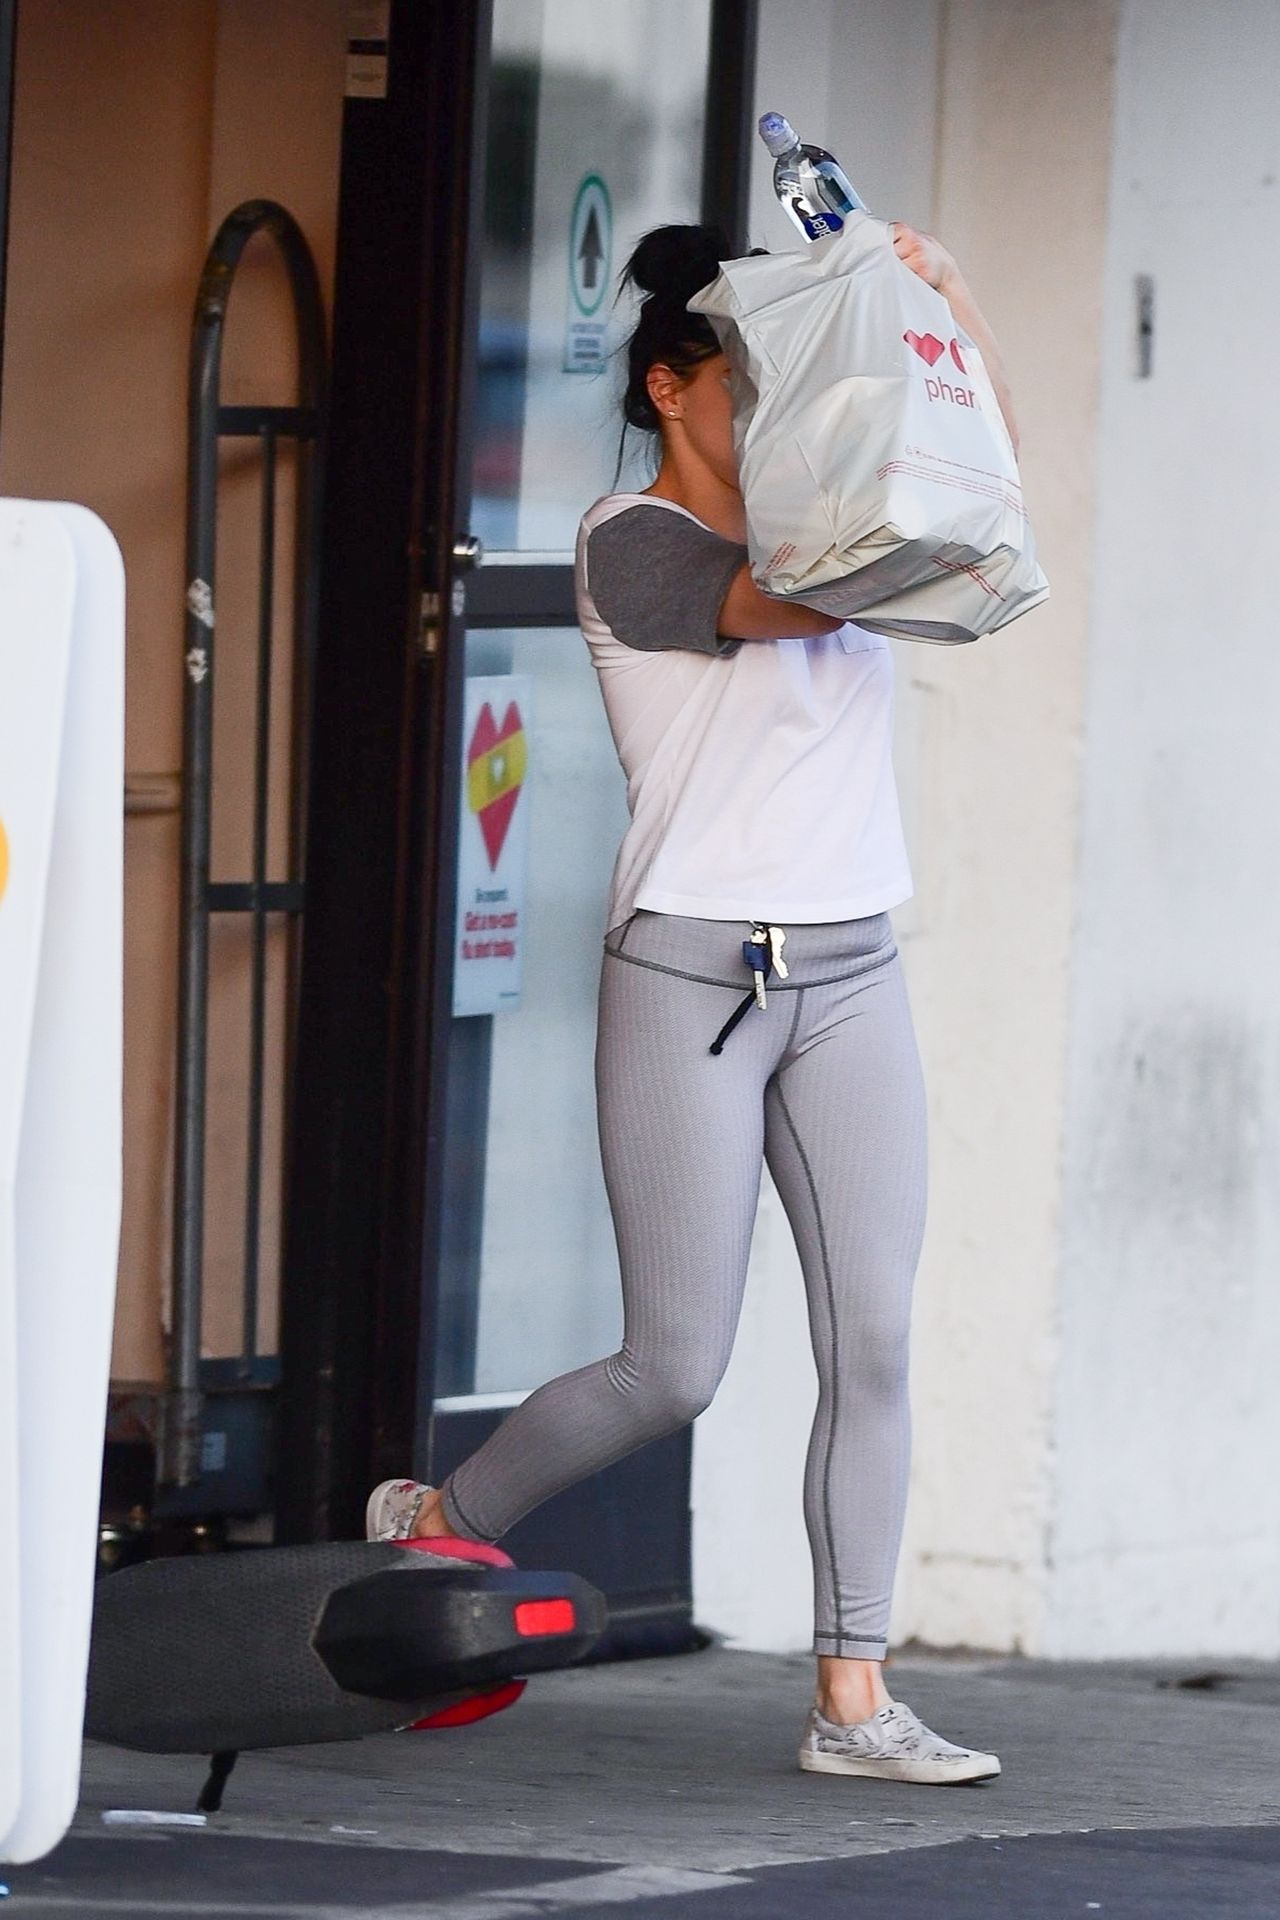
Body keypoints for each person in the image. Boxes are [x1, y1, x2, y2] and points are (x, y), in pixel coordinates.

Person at [368, 218, 1019, 1786]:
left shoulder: (833, 519)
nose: (783, 408)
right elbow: (843, 583)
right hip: (691, 979)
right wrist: (919, 448)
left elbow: (969, 490)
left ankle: (854, 1699)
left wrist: (944, 302)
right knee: (675, 1366)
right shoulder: (633, 543)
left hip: (850, 971)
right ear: (670, 387)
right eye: (752, 380)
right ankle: (442, 1515)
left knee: (875, 1342)